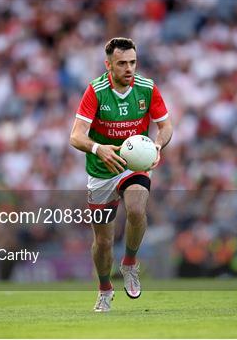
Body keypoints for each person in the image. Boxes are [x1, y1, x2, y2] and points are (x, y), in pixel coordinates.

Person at [69, 38, 173, 312]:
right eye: (122, 63)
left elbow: (166, 126)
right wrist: (97, 148)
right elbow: (76, 136)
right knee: (103, 242)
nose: (129, 68)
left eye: (133, 62)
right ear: (109, 65)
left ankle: (129, 262)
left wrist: (158, 145)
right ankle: (104, 289)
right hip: (101, 171)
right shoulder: (96, 90)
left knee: (137, 209)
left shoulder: (147, 88)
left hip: (134, 164)